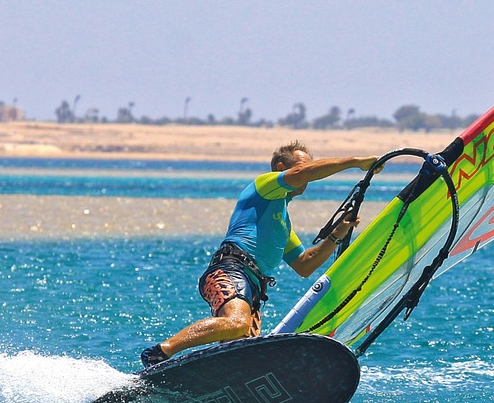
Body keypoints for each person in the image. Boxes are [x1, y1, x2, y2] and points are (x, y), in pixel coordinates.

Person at [140, 141, 378, 367]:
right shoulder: (264, 187)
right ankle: (160, 352)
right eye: (301, 167)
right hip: (229, 270)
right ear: (280, 169)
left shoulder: (283, 224)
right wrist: (356, 161)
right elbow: (302, 175)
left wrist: (338, 233)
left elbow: (305, 265)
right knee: (236, 323)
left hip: (254, 289)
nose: (306, 176)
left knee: (244, 354)